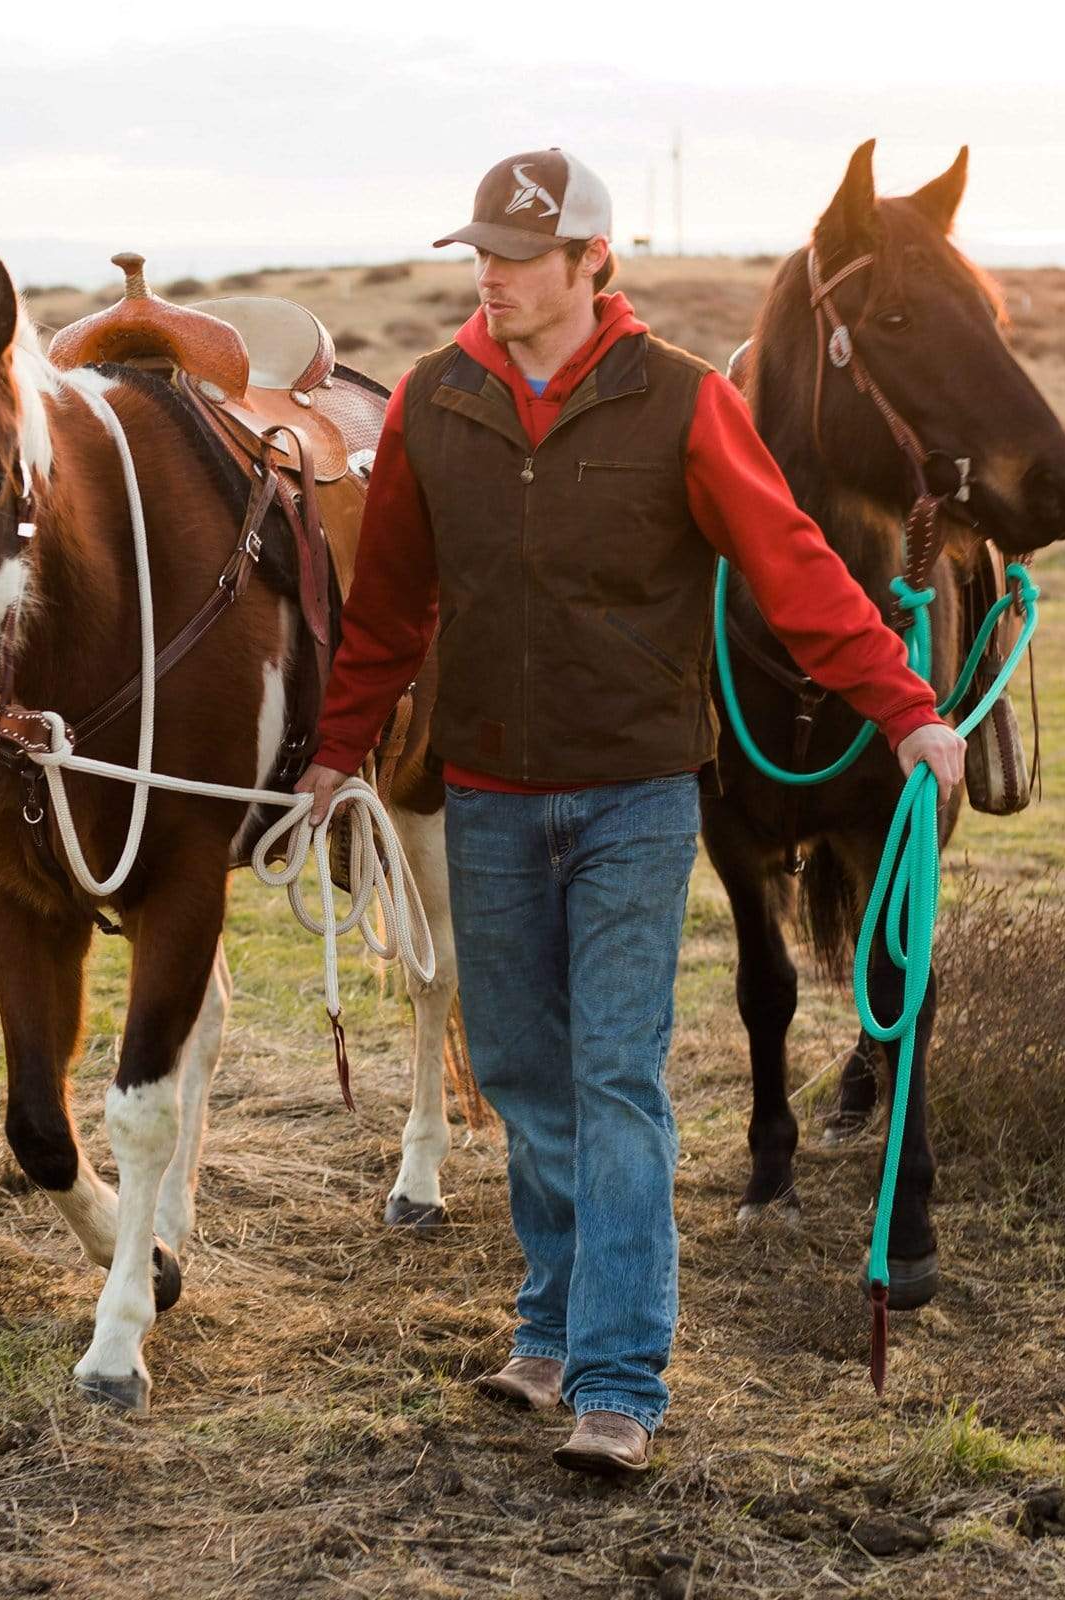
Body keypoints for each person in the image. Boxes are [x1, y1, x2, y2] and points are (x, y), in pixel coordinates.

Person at [296, 148, 965, 1478]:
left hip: (635, 799)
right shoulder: (433, 402)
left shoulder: (678, 402)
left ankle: (616, 1375)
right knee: (531, 1078)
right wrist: (333, 757)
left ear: (593, 262)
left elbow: (793, 565)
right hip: (485, 795)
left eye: (518, 254)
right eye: (478, 250)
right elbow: (386, 615)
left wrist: (906, 708)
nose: (490, 272)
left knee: (614, 1075)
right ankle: (546, 1323)